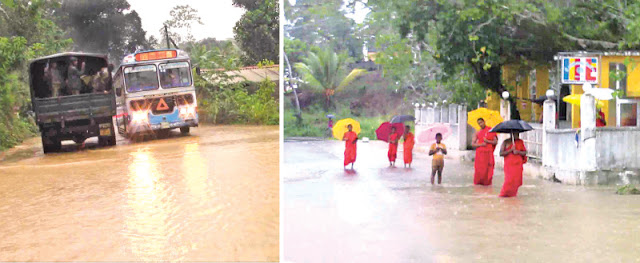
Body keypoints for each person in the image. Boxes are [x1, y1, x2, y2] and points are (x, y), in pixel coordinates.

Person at [499, 133, 527, 197]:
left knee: (516, 181)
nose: (516, 135)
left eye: (517, 133)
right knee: (508, 180)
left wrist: (518, 152)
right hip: (509, 165)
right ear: (511, 134)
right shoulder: (505, 142)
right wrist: (510, 150)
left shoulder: (520, 142)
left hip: (517, 165)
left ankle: (513, 195)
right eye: (514, 133)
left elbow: (524, 152)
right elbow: (501, 153)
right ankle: (504, 195)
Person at [472, 118, 498, 185]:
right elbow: (473, 144)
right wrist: (481, 144)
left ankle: (487, 184)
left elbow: (495, 142)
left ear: (484, 121)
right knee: (479, 170)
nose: (480, 124)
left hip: (488, 153)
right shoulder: (478, 132)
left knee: (488, 169)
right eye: (479, 123)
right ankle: (479, 185)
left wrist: (487, 141)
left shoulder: (491, 130)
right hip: (480, 155)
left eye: (481, 122)